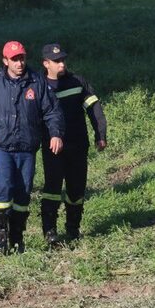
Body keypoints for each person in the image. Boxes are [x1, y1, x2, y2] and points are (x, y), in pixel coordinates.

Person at [0, 40, 64, 254]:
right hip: (1, 147)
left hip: (27, 148)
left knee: (23, 195)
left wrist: (55, 134)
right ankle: (0, 239)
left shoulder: (37, 81)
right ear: (5, 61)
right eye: (14, 59)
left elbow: (52, 111)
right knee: (2, 188)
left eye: (21, 58)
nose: (19, 63)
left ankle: (16, 237)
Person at [39, 43, 107, 246]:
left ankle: (73, 230)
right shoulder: (39, 85)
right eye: (56, 61)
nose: (61, 64)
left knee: (76, 190)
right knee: (52, 188)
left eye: (63, 60)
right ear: (46, 63)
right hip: (52, 147)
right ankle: (50, 231)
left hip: (78, 144)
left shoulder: (77, 82)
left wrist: (100, 134)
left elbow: (94, 108)